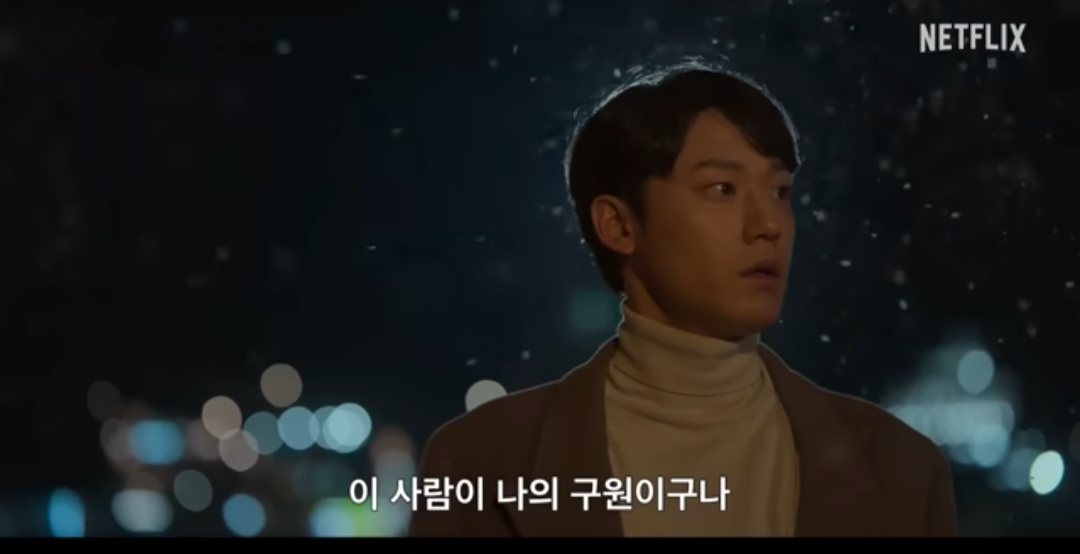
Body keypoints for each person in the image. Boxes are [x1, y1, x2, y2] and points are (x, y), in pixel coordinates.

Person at [409, 63, 958, 537]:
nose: (768, 224)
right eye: (722, 189)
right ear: (619, 224)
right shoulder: (482, 465)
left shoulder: (901, 469)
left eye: (779, 191)